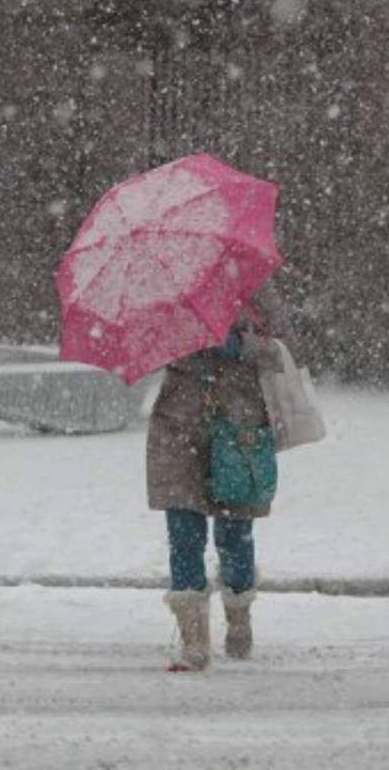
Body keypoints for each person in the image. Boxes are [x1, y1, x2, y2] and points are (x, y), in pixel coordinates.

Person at [145, 276, 289, 671]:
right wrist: (182, 340)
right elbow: (147, 346)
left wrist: (241, 345)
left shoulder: (254, 285)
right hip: (179, 426)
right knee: (183, 531)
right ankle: (194, 641)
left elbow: (284, 349)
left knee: (235, 534)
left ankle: (239, 614)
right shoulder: (168, 289)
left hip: (237, 426)